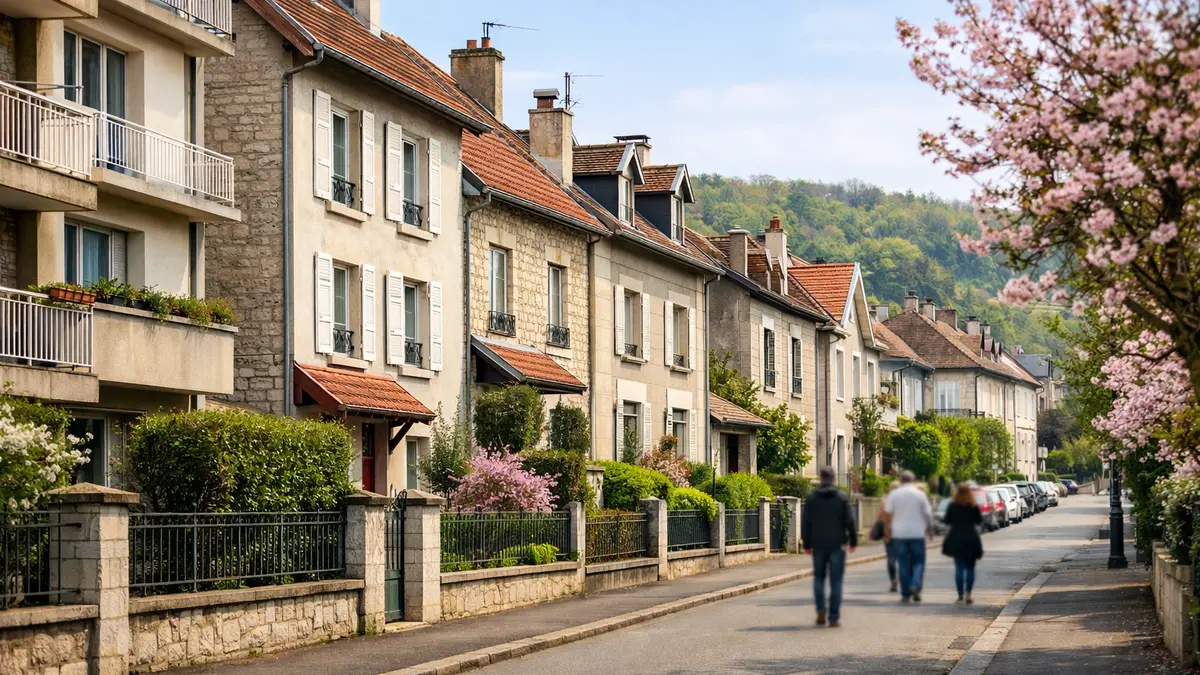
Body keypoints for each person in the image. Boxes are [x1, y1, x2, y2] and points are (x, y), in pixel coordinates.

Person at [802, 467, 858, 627]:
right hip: (837, 544)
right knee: (836, 581)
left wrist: (806, 543)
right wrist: (853, 541)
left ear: (820, 477)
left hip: (818, 544)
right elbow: (850, 521)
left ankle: (820, 610)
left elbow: (806, 522)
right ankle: (833, 617)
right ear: (833, 478)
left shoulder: (812, 498)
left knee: (819, 578)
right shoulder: (841, 497)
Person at [883, 470, 934, 603]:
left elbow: (888, 513)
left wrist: (887, 530)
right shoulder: (920, 494)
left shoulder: (894, 494)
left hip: (899, 534)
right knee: (918, 562)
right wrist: (930, 529)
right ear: (913, 480)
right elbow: (927, 514)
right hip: (917, 533)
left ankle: (905, 595)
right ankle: (915, 584)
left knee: (903, 564)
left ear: (900, 480)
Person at [942, 484, 984, 603]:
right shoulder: (973, 506)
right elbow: (979, 521)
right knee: (970, 568)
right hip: (971, 538)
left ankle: (960, 595)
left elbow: (947, 521)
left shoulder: (953, 506)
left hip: (956, 538)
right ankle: (968, 594)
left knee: (959, 567)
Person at [881, 480, 901, 592]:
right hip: (901, 533)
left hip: (889, 532)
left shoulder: (886, 502)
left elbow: (882, 517)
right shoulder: (904, 501)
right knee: (902, 558)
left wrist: (885, 532)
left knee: (891, 558)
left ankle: (893, 580)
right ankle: (904, 581)